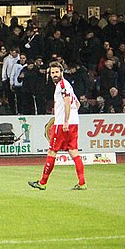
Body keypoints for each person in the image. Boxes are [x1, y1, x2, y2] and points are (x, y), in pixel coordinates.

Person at [29, 62, 87, 191]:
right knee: (73, 152)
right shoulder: (68, 85)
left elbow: (67, 102)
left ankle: (42, 182)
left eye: (56, 72)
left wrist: (65, 121)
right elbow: (77, 104)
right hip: (74, 123)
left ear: (61, 72)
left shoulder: (62, 85)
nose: (54, 75)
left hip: (62, 124)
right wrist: (72, 117)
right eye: (52, 73)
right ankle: (82, 183)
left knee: (52, 151)